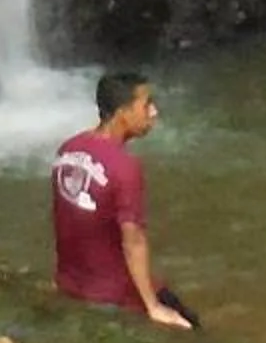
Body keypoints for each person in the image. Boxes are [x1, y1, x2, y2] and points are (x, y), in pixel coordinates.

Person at [50, 72, 195, 329]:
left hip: (70, 285)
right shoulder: (125, 167)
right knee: (193, 329)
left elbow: (63, 220)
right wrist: (152, 306)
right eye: (146, 104)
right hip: (114, 295)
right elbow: (134, 241)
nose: (154, 112)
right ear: (123, 113)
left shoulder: (67, 150)